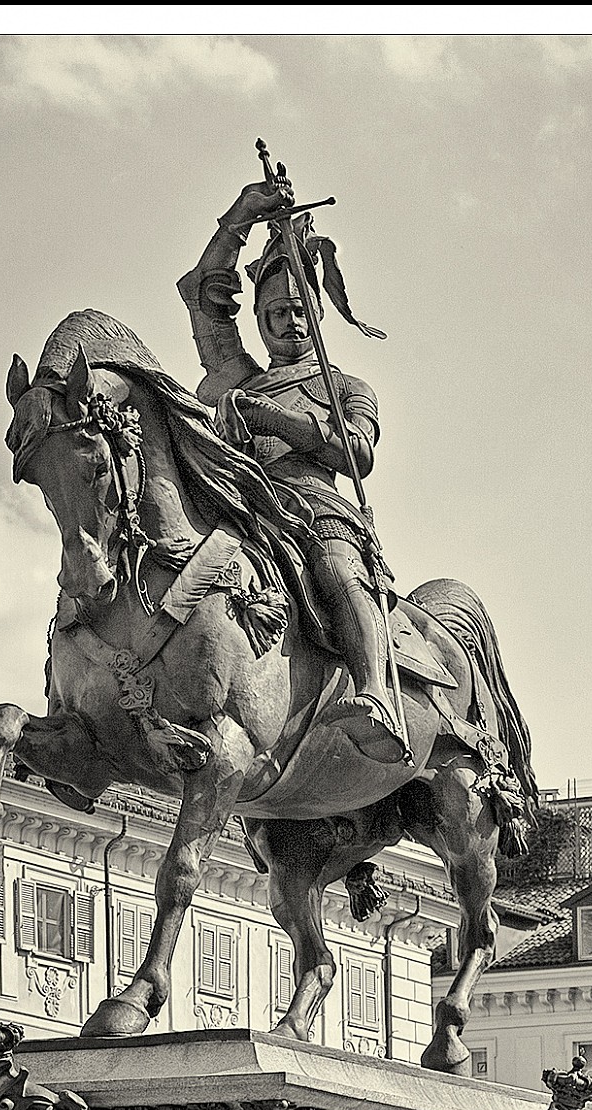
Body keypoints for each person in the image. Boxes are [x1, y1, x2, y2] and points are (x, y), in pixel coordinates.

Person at [179, 179, 407, 764]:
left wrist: (278, 422)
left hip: (316, 514)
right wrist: (237, 220)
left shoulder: (346, 387)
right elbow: (207, 298)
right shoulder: (236, 375)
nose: (289, 322)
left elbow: (357, 453)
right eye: (276, 312)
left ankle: (375, 692)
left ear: (318, 317)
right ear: (258, 317)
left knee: (335, 566)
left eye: (300, 311)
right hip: (243, 513)